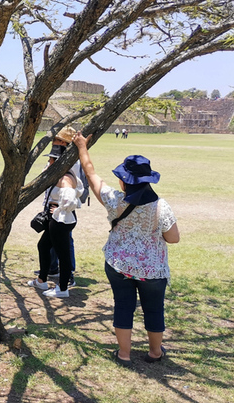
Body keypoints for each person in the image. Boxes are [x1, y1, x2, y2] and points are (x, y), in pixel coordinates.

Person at [73, 133, 179, 367]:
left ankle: (124, 354)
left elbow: (91, 174)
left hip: (118, 264)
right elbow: (173, 238)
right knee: (154, 310)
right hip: (153, 270)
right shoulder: (161, 206)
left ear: (124, 181)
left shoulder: (114, 200)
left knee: (123, 306)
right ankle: (154, 352)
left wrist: (82, 146)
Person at [27, 127, 83, 298]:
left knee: (63, 253)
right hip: (58, 218)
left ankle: (63, 288)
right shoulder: (60, 175)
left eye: (52, 159)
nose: (49, 162)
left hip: (61, 219)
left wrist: (58, 209)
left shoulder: (65, 177)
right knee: (43, 245)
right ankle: (42, 280)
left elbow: (70, 200)